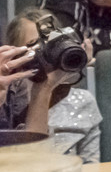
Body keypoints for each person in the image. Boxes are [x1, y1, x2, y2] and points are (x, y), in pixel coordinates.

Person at [3, 10, 102, 161]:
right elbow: (28, 162)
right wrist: (44, 87)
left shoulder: (83, 101)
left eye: (52, 43)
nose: (48, 52)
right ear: (15, 53)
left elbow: (93, 165)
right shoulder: (8, 100)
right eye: (38, 45)